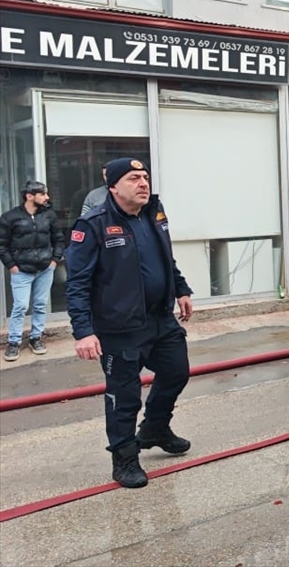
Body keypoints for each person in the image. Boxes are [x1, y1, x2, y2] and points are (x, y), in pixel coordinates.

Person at [65, 158, 195, 488]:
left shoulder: (154, 212)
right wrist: (83, 331)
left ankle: (155, 427)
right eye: (134, 178)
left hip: (159, 319)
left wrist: (181, 289)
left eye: (145, 177)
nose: (143, 183)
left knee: (177, 371)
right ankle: (124, 459)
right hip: (118, 327)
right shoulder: (93, 224)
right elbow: (77, 282)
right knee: (124, 395)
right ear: (113, 187)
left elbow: (166, 257)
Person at [0, 180, 65, 361]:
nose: (47, 197)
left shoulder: (49, 216)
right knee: (20, 306)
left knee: (40, 304)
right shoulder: (10, 217)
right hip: (21, 270)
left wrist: (54, 260)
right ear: (30, 196)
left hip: (45, 268)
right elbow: (2, 244)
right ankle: (14, 342)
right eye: (43, 194)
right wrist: (11, 266)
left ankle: (36, 338)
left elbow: (59, 239)